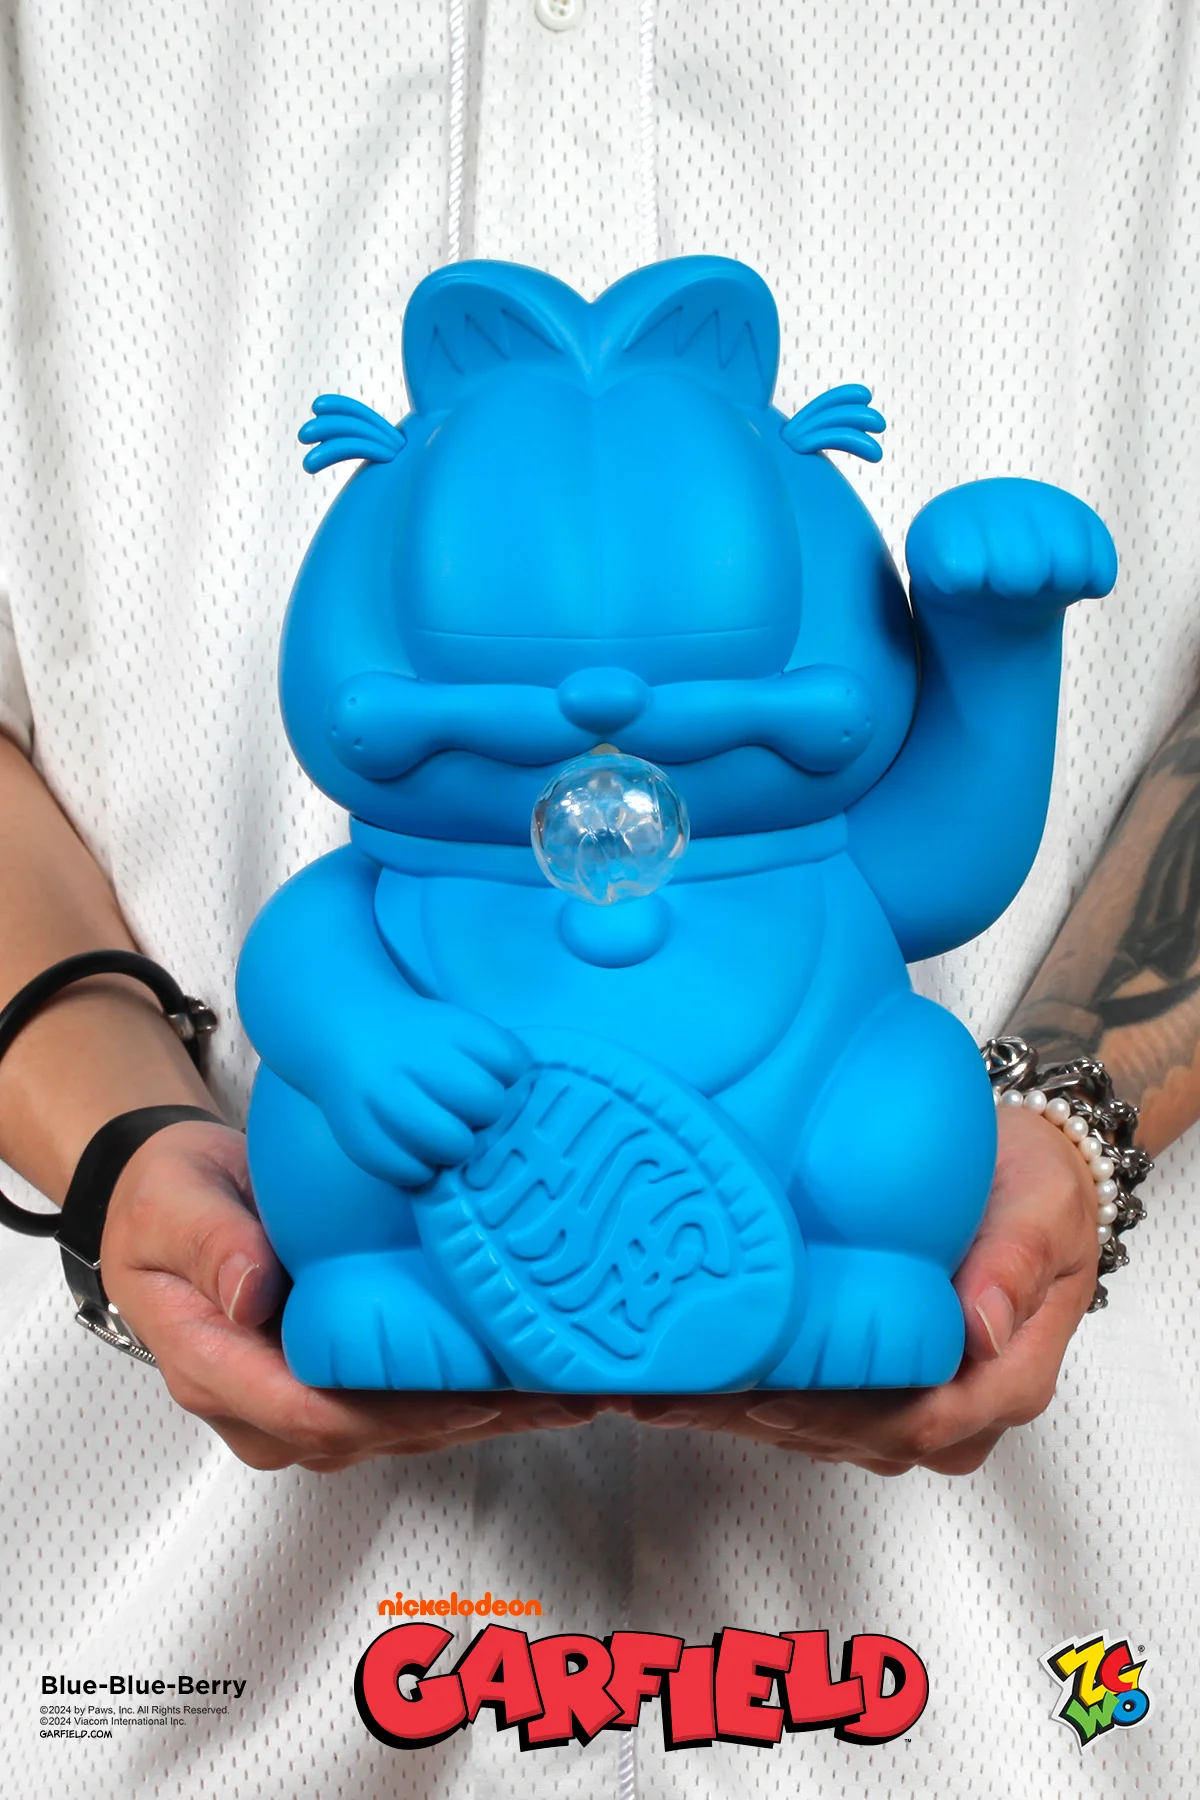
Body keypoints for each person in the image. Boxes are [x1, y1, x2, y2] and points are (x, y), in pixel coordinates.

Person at [0, 3, 1196, 1794]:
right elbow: (307, 958)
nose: (604, 706)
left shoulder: (814, 850)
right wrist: (175, 1117)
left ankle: (856, 1257)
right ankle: (381, 1275)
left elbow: (947, 864)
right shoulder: (395, 875)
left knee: (898, 1103)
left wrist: (997, 648)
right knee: (341, 1122)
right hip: (206, 1647)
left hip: (997, 1668)